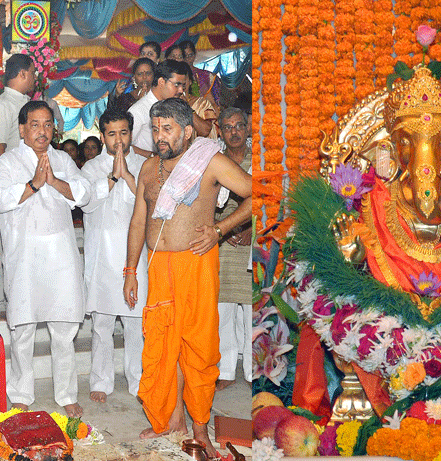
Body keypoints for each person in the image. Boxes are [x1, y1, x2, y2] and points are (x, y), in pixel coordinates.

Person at [123, 98, 250, 455]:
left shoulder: (210, 161)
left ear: (188, 130)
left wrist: (220, 229)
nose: (160, 137)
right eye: (155, 129)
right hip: (157, 264)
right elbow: (138, 222)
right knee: (163, 342)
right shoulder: (149, 168)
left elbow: (257, 192)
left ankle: (200, 428)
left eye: (168, 129)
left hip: (196, 263)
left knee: (197, 345)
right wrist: (130, 271)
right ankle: (170, 418)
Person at [0, 101, 90, 417]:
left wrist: (52, 181)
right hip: (25, 257)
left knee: (64, 330)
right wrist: (34, 183)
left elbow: (84, 194)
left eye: (48, 124)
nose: (42, 131)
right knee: (24, 329)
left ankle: (66, 394)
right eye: (35, 124)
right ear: (22, 129)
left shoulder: (62, 159)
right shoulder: (8, 161)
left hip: (60, 255)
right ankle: (21, 394)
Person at [80, 110, 147, 403]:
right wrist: (111, 177)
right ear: (102, 134)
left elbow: (152, 203)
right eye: (111, 134)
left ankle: (139, 381)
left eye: (123, 133)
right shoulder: (90, 168)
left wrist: (128, 177)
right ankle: (101, 381)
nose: (118, 140)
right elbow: (86, 203)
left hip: (136, 255)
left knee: (136, 323)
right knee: (102, 324)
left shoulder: (145, 165)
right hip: (102, 255)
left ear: (131, 133)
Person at [215, 108, 252, 389]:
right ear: (220, 130)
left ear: (248, 127)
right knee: (224, 310)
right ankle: (225, 371)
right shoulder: (216, 162)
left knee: (252, 312)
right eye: (228, 128)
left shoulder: (259, 159)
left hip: (253, 242)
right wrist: (223, 229)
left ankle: (253, 374)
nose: (234, 132)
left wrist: (252, 229)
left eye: (239, 125)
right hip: (222, 241)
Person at [128, 60, 190, 159]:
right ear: (161, 82)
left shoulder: (175, 106)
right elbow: (125, 145)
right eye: (176, 85)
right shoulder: (138, 110)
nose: (181, 90)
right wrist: (153, 156)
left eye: (183, 86)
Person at [0, 54, 35, 160]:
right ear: (22, 74)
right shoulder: (3, 106)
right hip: (12, 174)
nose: (35, 77)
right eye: (33, 73)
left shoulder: (25, 102)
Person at [179, 40, 220, 104]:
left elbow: (214, 100)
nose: (188, 58)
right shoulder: (176, 75)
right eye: (184, 56)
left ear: (195, 54)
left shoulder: (207, 75)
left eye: (190, 55)